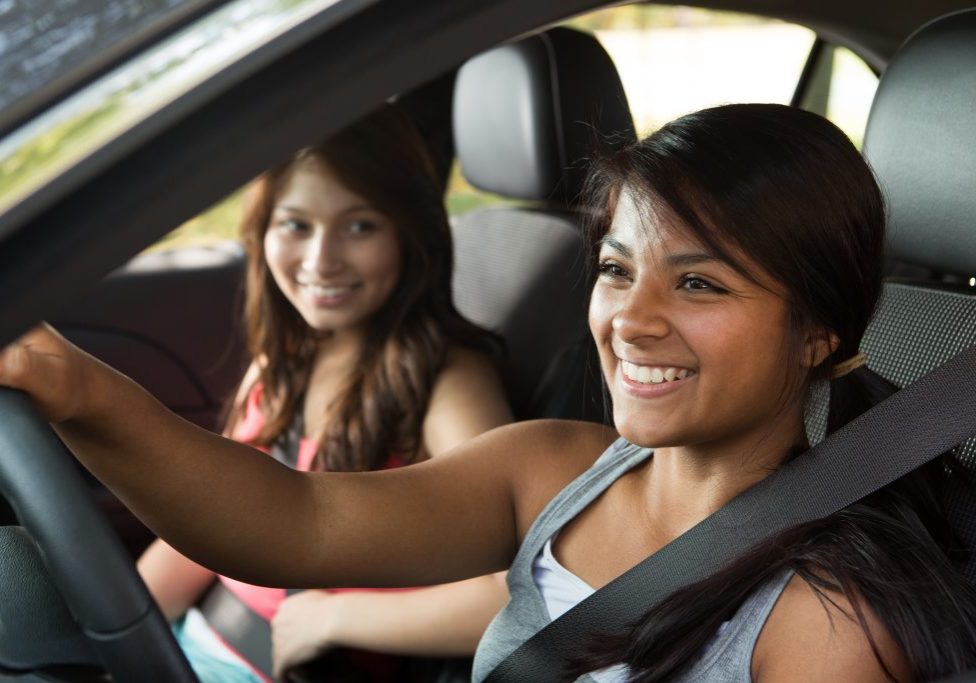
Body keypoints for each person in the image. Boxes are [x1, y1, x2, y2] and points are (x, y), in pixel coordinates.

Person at [4, 103, 976, 683]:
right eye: (613, 268)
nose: (629, 320)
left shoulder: (826, 617)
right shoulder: (551, 464)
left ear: (817, 330)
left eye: (699, 282)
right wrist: (70, 383)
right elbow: (294, 519)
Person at [131, 104, 513, 681]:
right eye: (296, 225)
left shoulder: (445, 381)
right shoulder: (284, 360)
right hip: (189, 645)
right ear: (263, 231)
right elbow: (208, 518)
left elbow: (517, 595)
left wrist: (335, 616)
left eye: (360, 226)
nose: (321, 260)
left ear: (409, 233)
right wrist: (117, 633)